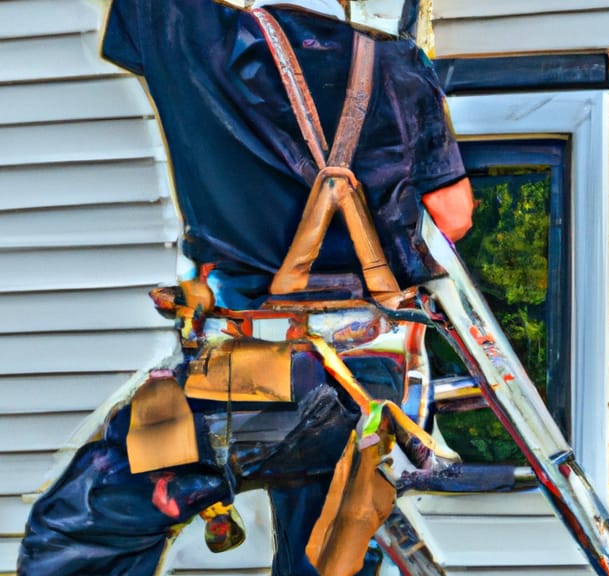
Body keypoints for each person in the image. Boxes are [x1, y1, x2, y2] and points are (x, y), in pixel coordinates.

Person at [18, 1, 472, 574]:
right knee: (327, 550)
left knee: (77, 535)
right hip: (378, 385)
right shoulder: (401, 62)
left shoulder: (185, 28)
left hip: (257, 376)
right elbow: (452, 215)